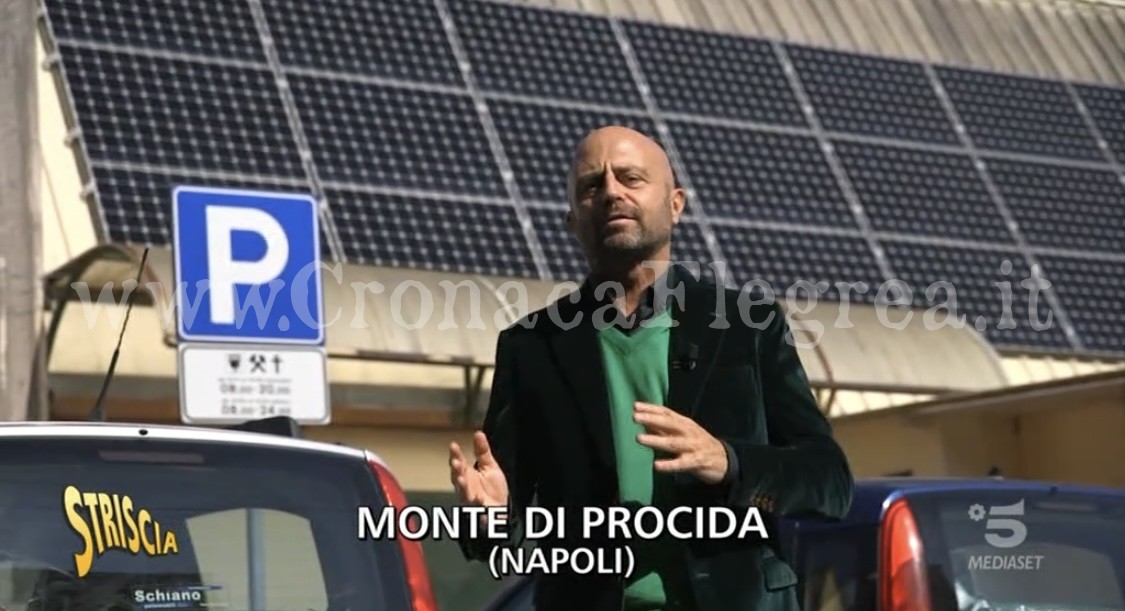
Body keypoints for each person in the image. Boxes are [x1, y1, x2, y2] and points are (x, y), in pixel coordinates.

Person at [449, 125, 854, 611]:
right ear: (572, 219)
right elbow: (501, 525)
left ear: (675, 204)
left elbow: (830, 481)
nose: (611, 192)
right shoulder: (532, 347)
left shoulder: (747, 326)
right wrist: (489, 518)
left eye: (631, 178)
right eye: (591, 186)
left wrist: (730, 462)